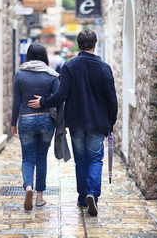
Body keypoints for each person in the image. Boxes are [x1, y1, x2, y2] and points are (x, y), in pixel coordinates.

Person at [28, 29, 118, 216]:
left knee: (81, 160)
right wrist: (111, 121)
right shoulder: (104, 68)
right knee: (95, 158)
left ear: (78, 44)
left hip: (76, 122)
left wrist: (42, 102)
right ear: (95, 44)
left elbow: (61, 95)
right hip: (98, 122)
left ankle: (82, 197)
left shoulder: (70, 66)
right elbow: (112, 99)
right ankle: (92, 193)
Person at [11, 43, 60, 211]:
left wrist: (12, 123)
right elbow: (58, 98)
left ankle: (28, 187)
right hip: (46, 120)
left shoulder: (20, 75)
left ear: (28, 55)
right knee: (41, 158)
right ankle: (39, 198)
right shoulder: (52, 76)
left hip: (25, 119)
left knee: (27, 158)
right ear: (45, 56)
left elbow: (16, 102)